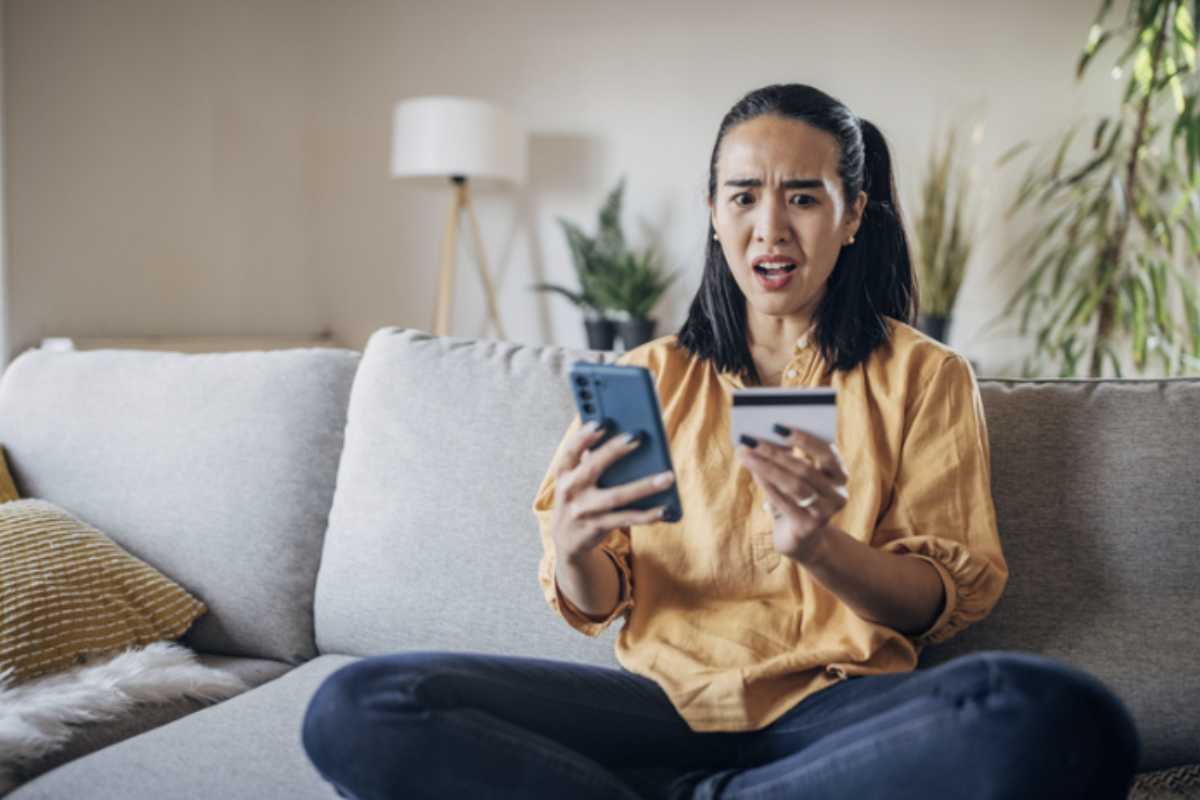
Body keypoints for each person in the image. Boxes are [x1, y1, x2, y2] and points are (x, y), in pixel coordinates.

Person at [301, 83, 1141, 799]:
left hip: (840, 712)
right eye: (744, 196)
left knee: (1051, 713)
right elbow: (597, 603)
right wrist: (572, 543)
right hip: (660, 707)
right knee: (363, 703)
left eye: (803, 196)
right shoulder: (650, 377)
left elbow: (934, 605)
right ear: (713, 214)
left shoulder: (925, 376)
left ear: (852, 216)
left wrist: (820, 545)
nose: (770, 227)